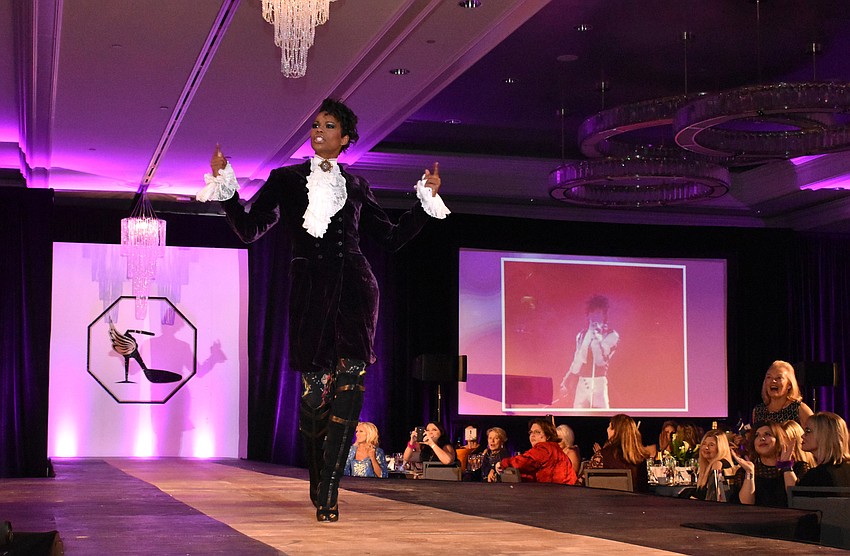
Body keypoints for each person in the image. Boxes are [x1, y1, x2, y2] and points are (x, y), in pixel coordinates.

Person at [198, 97, 448, 522]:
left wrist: (425, 201)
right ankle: (319, 477)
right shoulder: (286, 178)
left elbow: (390, 238)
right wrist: (226, 189)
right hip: (310, 292)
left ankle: (331, 486)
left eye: (328, 125)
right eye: (316, 124)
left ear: (346, 138)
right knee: (315, 398)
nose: (318, 130)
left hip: (355, 288)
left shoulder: (357, 185)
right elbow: (250, 228)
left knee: (350, 384)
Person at [559, 295, 619, 408]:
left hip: (598, 384)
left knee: (601, 415)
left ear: (604, 315)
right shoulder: (582, 335)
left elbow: (600, 361)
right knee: (577, 414)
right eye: (592, 313)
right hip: (582, 383)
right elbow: (578, 360)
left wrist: (597, 337)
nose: (595, 317)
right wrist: (566, 381)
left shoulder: (611, 335)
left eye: (598, 313)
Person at [731, 422, 809, 507]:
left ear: (779, 439)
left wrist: (786, 466)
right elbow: (746, 506)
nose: (762, 438)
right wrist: (749, 473)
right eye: (757, 435)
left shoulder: (799, 467)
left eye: (767, 434)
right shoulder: (744, 472)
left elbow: (797, 499)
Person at [496, 418, 577, 484]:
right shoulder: (555, 449)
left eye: (537, 432)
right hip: (562, 492)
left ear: (547, 436)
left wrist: (502, 463)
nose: (532, 435)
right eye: (531, 432)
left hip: (552, 493)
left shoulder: (544, 448)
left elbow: (524, 462)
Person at [588, 414, 649, 492]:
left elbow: (584, 482)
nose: (607, 430)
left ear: (616, 431)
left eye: (610, 427)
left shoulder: (602, 456)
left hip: (605, 498)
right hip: (633, 499)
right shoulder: (640, 458)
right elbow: (644, 489)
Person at [751, 360, 813, 427]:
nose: (773, 381)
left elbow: (816, 431)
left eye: (779, 378)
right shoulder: (758, 411)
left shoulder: (799, 409)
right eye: (769, 377)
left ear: (789, 385)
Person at [798, 412, 850, 487]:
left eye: (808, 431)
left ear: (824, 436)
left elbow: (794, 494)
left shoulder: (817, 476)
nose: (802, 436)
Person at [693, 429, 737, 501]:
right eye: (704, 444)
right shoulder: (707, 466)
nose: (706, 447)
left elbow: (714, 497)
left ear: (720, 448)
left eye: (711, 445)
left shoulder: (718, 464)